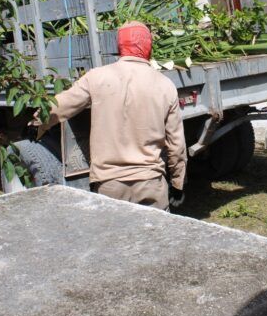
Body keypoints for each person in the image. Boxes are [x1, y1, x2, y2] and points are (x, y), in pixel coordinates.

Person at [35, 21, 187, 210]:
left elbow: (60, 106)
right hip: (151, 183)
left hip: (110, 185)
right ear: (150, 48)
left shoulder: (97, 77)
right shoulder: (165, 85)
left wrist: (37, 123)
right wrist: (177, 184)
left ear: (120, 47)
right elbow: (177, 145)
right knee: (155, 237)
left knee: (115, 239)